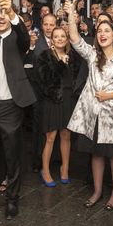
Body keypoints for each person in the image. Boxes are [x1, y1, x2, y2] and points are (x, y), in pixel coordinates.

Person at [65, 0, 113, 210]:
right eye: (99, 31)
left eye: (107, 31)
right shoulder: (92, 55)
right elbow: (75, 39)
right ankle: (97, 191)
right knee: (96, 153)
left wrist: (111, 96)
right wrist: (71, 15)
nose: (102, 34)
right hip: (94, 114)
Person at [0, 0, 36, 220]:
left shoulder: (17, 39)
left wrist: (13, 13)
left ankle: (12, 200)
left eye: (5, 13)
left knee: (12, 155)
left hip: (10, 104)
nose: (1, 16)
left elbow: (23, 34)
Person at [35, 27, 81, 186]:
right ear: (52, 40)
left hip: (69, 100)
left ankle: (65, 168)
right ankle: (45, 171)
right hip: (52, 101)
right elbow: (45, 81)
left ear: (67, 39)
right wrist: (61, 64)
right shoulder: (44, 56)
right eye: (56, 36)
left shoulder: (74, 56)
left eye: (63, 36)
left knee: (66, 135)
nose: (60, 39)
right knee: (50, 137)